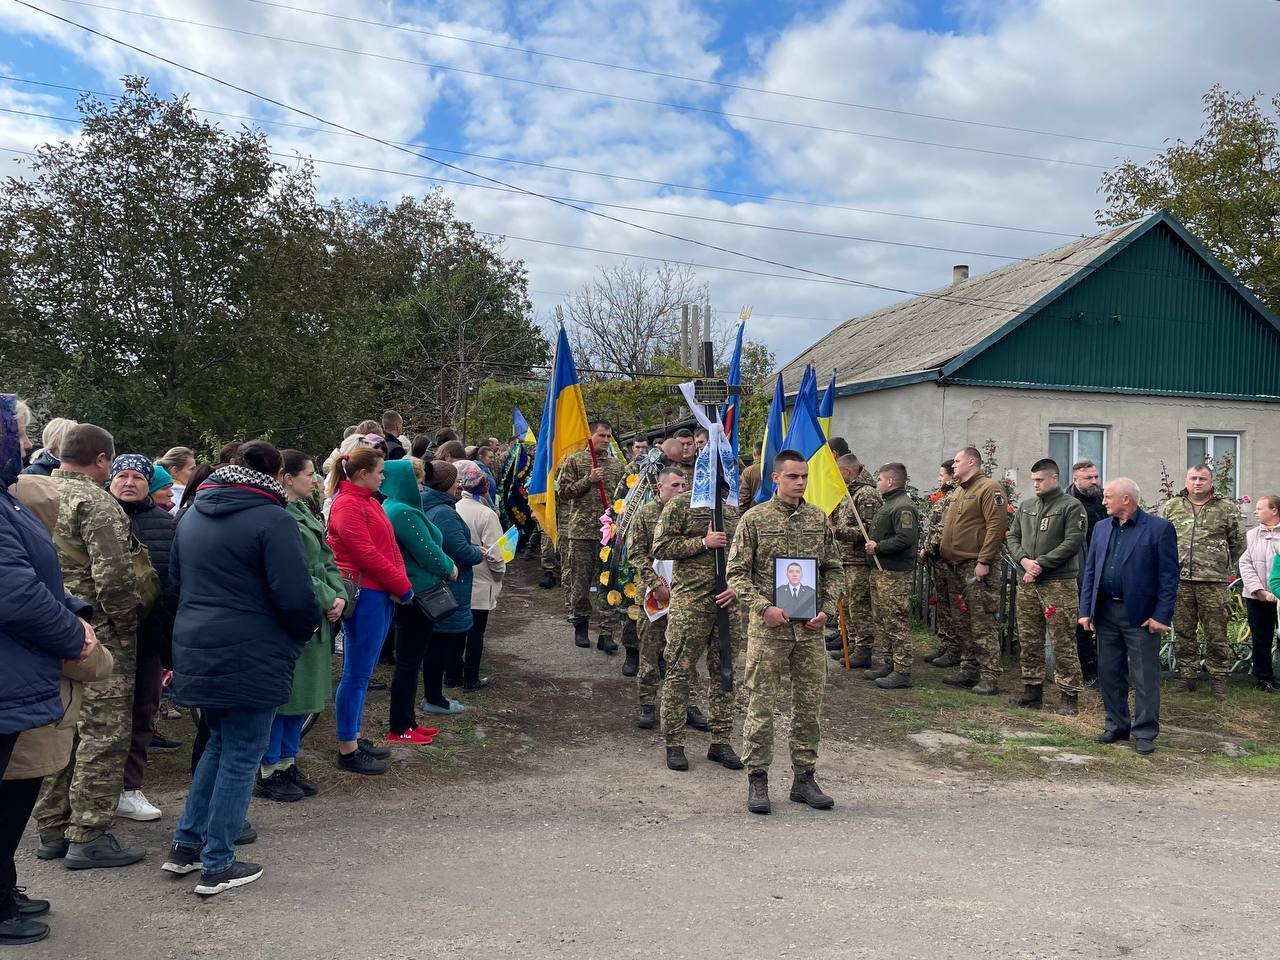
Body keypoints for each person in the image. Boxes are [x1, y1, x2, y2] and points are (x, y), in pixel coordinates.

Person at [162, 441, 320, 895]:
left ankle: (187, 846)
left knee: (217, 744)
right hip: (252, 650)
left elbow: (175, 586)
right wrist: (301, 632)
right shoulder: (273, 518)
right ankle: (217, 862)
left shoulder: (192, 513)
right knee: (241, 754)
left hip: (199, 646)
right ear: (276, 475)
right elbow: (294, 595)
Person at [0, 395, 98, 945]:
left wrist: (74, 612)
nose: (26, 444)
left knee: (14, 792)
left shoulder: (7, 499)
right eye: (17, 433)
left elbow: (41, 578)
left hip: (18, 671)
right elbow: (13, 594)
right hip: (11, 667)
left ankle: (3, 886)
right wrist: (71, 636)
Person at [34, 423, 144, 870]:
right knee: (104, 735)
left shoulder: (29, 493)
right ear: (102, 460)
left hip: (43, 629)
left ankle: (50, 827)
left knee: (59, 728)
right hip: (96, 635)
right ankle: (88, 834)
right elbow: (114, 578)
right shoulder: (96, 503)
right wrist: (125, 626)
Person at [728, 450, 844, 815]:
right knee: (761, 706)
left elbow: (835, 569)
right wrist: (764, 607)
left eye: (804, 476)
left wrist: (826, 609)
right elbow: (736, 574)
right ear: (775, 478)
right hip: (769, 631)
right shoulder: (755, 520)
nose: (800, 482)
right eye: (793, 476)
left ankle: (804, 778)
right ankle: (758, 778)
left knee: (809, 708)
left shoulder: (816, 518)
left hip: (809, 633)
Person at [255, 450, 346, 802]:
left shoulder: (302, 511)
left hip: (319, 615)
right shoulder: (280, 517)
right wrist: (328, 597)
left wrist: (340, 595)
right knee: (287, 699)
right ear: (286, 477)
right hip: (298, 615)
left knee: (305, 696)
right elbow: (296, 572)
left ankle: (288, 761)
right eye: (309, 474)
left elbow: (327, 559)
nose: (316, 480)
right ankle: (269, 769)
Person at [326, 447, 413, 774]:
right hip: (366, 595)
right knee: (356, 672)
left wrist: (399, 581)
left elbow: (388, 548)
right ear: (363, 474)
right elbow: (366, 554)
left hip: (380, 593)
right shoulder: (348, 505)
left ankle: (355, 734)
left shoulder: (366, 502)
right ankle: (347, 747)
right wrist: (401, 586)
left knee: (362, 671)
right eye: (379, 472)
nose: (383, 477)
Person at [1079, 478, 1178, 755]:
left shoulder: (1158, 529)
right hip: (1106, 612)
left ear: (1126, 499)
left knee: (1144, 676)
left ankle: (1145, 732)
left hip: (1142, 615)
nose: (1103, 501)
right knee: (1109, 672)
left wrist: (1161, 615)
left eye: (1108, 496)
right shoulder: (1100, 528)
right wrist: (1085, 610)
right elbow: (1091, 571)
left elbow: (1169, 577)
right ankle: (1116, 725)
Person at [652, 478, 743, 773]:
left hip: (726, 606)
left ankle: (720, 740)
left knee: (724, 674)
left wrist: (738, 590)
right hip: (691, 604)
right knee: (679, 672)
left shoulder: (732, 513)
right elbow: (660, 546)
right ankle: (675, 742)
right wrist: (703, 542)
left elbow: (745, 558)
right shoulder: (681, 505)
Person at [107, 455, 177, 823]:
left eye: (137, 476)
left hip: (149, 637)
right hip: (103, 640)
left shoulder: (167, 524)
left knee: (141, 712)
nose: (129, 482)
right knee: (98, 719)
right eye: (123, 475)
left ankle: (129, 788)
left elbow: (174, 581)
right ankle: (90, 790)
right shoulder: (97, 515)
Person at [1006, 458, 1088, 714]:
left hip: (1058, 583)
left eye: (1040, 480)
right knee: (1029, 637)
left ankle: (1068, 696)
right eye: (1033, 481)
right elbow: (1012, 535)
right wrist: (1024, 560)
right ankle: (1032, 691)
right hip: (1028, 581)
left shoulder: (1071, 507)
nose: (1036, 485)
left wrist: (1040, 564)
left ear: (1054, 478)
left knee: (1063, 639)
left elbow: (1073, 542)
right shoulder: (1027, 505)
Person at [382, 457, 455, 741]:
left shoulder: (394, 506)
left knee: (410, 661)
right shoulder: (404, 513)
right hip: (417, 594)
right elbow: (426, 551)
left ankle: (408, 722)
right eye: (419, 481)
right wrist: (449, 567)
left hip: (410, 591)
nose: (422, 487)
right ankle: (400, 727)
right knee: (409, 663)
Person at [1160, 465, 1246, 700]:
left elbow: (1238, 542)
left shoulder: (1226, 508)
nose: (1197, 482)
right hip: (1179, 580)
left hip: (1213, 581)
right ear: (1186, 480)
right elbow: (1160, 539)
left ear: (1210, 481)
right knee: (1183, 632)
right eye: (1193, 478)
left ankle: (1218, 678)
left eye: (1202, 478)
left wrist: (1218, 563)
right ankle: (1187, 675)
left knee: (1216, 633)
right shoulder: (1172, 507)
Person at [937, 446, 1009, 695]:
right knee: (962, 620)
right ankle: (969, 669)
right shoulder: (959, 490)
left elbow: (996, 527)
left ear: (972, 461)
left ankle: (989, 675)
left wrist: (985, 561)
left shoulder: (989, 488)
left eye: (957, 461)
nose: (953, 465)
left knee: (981, 622)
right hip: (954, 565)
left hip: (975, 565)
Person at [625, 465, 688, 729]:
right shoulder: (645, 514)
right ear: (659, 487)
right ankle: (647, 704)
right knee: (650, 652)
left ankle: (685, 706)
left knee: (683, 655)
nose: (681, 490)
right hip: (654, 596)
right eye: (675, 486)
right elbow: (636, 554)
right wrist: (655, 584)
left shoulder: (689, 513)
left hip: (684, 594)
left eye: (684, 486)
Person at [556, 421, 626, 651]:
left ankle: (607, 632)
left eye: (608, 436)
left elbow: (623, 498)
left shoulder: (617, 466)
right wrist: (588, 480)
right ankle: (581, 625)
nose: (605, 440)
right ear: (591, 436)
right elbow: (564, 493)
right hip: (582, 532)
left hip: (609, 535)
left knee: (608, 584)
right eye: (601, 435)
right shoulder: (575, 461)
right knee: (580, 582)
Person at [421, 461, 484, 713]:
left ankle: (435, 695)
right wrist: (477, 552)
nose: (459, 486)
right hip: (449, 587)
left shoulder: (430, 505)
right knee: (439, 645)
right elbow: (459, 550)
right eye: (456, 481)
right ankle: (434, 698)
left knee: (436, 644)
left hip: (438, 586)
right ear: (446, 484)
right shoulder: (444, 513)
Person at [863, 463, 920, 689]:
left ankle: (902, 670)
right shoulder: (890, 504)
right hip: (881, 571)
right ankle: (888, 662)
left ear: (889, 481)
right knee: (882, 619)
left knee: (895, 620)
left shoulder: (903, 507)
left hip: (894, 573)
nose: (877, 484)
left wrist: (878, 547)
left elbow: (905, 538)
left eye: (879, 480)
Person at [454, 461, 506, 691]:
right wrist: (499, 571)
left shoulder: (454, 508)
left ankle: (452, 673)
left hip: (458, 577)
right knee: (476, 633)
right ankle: (471, 677)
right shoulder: (487, 514)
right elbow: (495, 551)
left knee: (456, 631)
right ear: (485, 488)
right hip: (482, 578)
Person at [830, 453, 882, 666]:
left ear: (848, 472)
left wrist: (839, 531)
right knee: (850, 604)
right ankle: (852, 642)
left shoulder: (866, 494)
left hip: (859, 560)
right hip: (848, 558)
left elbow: (870, 530)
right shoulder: (851, 492)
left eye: (839, 472)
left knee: (859, 605)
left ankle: (864, 648)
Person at [1066, 460, 1106, 685]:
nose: (1094, 482)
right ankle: (1089, 671)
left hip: (1106, 566)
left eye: (1096, 477)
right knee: (1082, 624)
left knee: (1107, 622)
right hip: (1080, 569)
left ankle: (1109, 669)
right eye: (1088, 478)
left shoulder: (1104, 500)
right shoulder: (1067, 503)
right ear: (1075, 479)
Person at [1239, 495, 1280, 694]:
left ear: (1274, 510)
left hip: (1279, 598)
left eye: (1260, 508)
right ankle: (1264, 679)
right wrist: (1259, 590)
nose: (1255, 511)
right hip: (1257, 597)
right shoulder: (1252, 535)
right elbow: (1244, 563)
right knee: (1261, 639)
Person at [920, 460, 960, 666]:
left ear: (952, 475)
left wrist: (927, 550)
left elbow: (942, 530)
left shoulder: (953, 497)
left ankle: (954, 648)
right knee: (943, 603)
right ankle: (946, 643)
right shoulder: (945, 496)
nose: (939, 478)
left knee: (950, 604)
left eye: (942, 475)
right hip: (938, 558)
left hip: (945, 558)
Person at [155, 447, 197, 515]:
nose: (195, 472)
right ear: (174, 471)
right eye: (192, 469)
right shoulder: (173, 498)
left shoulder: (160, 492)